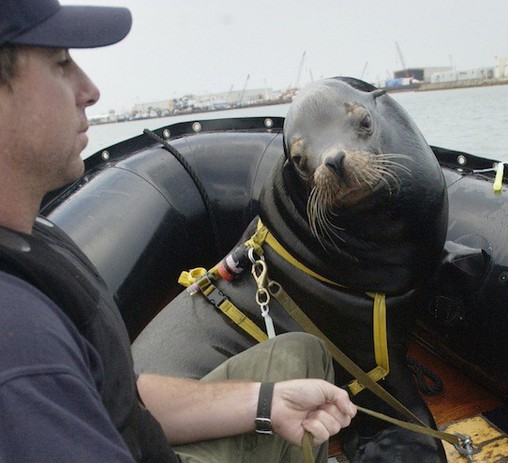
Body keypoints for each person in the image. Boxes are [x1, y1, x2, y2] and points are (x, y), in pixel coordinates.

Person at [0, 1, 356, 462]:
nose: (89, 90)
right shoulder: (21, 351)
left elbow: (120, 400)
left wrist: (266, 404)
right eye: (60, 63)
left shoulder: (34, 236)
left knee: (299, 357)